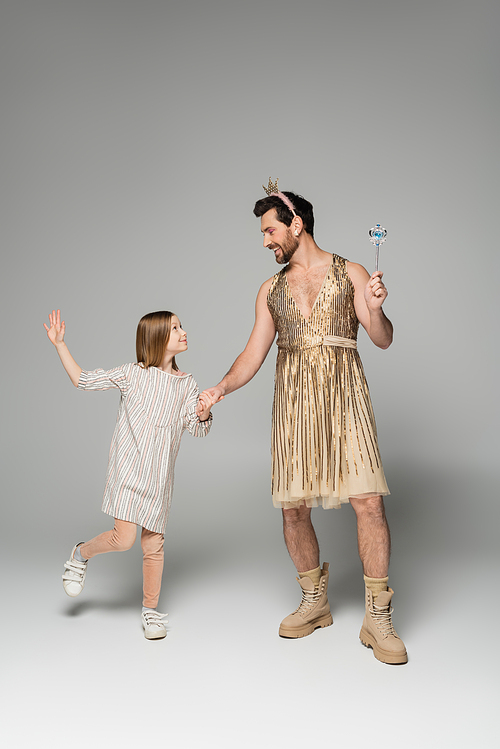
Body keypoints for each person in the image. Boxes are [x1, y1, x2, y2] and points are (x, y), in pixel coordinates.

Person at [199, 180, 407, 664]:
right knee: (293, 509)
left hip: (345, 398)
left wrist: (375, 309)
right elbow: (253, 354)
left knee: (369, 504)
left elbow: (382, 339)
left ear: (297, 224)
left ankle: (378, 615)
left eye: (270, 230)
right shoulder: (269, 290)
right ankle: (315, 601)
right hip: (293, 404)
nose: (265, 241)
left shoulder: (351, 270)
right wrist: (219, 389)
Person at [44, 309, 213, 640]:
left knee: (154, 545)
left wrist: (203, 412)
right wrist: (60, 345)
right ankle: (80, 554)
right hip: (128, 472)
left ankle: (150, 611)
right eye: (175, 328)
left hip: (159, 479)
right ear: (156, 337)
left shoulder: (187, 384)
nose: (183, 332)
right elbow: (82, 380)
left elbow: (196, 429)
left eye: (181, 326)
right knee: (123, 539)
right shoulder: (131, 374)